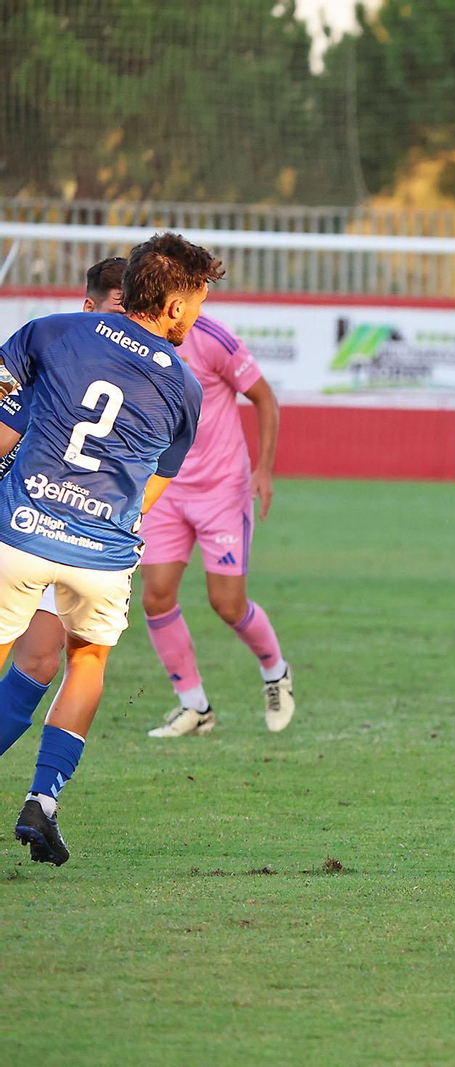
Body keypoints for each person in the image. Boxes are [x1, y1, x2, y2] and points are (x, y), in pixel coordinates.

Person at [1, 231, 209, 866]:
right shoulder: (185, 388)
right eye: (198, 302)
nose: (199, 316)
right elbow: (149, 492)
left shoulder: (51, 331)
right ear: (173, 306)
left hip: (22, 528)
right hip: (102, 552)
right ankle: (44, 798)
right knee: (84, 661)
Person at [141, 304, 292, 737]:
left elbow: (265, 397)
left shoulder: (212, 336)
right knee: (156, 597)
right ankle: (195, 707)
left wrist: (263, 469)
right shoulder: (135, 334)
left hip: (222, 491)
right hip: (166, 489)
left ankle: (275, 672)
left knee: (227, 604)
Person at [0, 259, 130, 758]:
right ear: (89, 309)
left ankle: (41, 800)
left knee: (40, 664)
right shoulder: (54, 365)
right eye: (115, 310)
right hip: (22, 525)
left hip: (83, 538)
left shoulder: (146, 387)